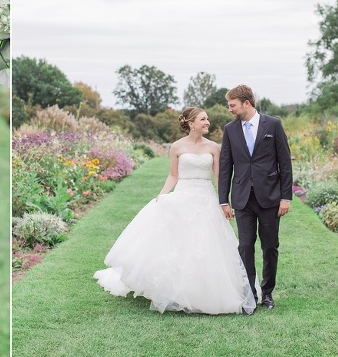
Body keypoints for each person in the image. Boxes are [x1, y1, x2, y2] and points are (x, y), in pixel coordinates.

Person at [94, 107, 256, 315]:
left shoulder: (213, 147)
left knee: (207, 242)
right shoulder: (177, 147)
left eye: (207, 119)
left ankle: (204, 290)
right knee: (180, 242)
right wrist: (161, 195)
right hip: (184, 195)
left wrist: (223, 201)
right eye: (203, 119)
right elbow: (173, 175)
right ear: (191, 123)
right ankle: (174, 289)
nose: (208, 122)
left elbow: (219, 178)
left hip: (206, 197)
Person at [219, 84, 293, 310]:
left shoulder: (273, 124)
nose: (230, 109)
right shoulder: (230, 129)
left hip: (270, 197)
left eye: (232, 105)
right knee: (245, 246)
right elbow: (225, 166)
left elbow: (285, 163)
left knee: (270, 246)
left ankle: (267, 293)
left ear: (246, 103)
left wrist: (286, 197)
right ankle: (249, 294)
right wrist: (223, 200)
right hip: (243, 198)